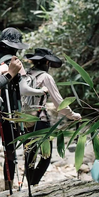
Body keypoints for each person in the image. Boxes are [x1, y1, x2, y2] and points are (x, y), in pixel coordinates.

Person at [0, 28, 44, 194]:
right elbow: (23, 89)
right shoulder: (14, 62)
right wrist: (40, 91)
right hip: (8, 113)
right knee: (10, 151)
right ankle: (9, 188)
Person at [23, 48, 82, 186]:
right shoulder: (46, 77)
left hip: (24, 120)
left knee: (29, 154)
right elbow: (59, 102)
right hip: (40, 121)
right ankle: (34, 183)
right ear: (47, 62)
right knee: (46, 155)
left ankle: (30, 185)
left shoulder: (26, 74)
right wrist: (72, 115)